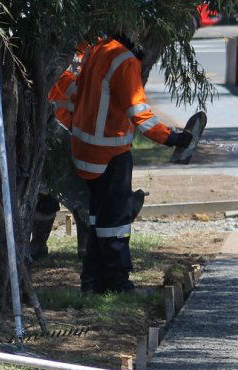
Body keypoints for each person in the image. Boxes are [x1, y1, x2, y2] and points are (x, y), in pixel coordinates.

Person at [59, 34, 206, 294]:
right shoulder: (123, 60)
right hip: (109, 153)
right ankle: (118, 284)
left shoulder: (99, 48)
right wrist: (172, 138)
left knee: (98, 220)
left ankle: (92, 283)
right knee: (114, 222)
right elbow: (139, 115)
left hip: (86, 151)